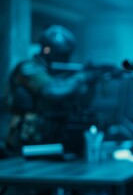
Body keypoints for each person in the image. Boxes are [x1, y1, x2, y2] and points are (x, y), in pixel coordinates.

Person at [4, 24, 97, 155]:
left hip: (54, 139)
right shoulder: (28, 69)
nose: (65, 59)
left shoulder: (59, 76)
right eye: (61, 54)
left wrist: (92, 82)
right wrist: (83, 77)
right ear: (47, 50)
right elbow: (52, 92)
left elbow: (81, 102)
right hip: (26, 141)